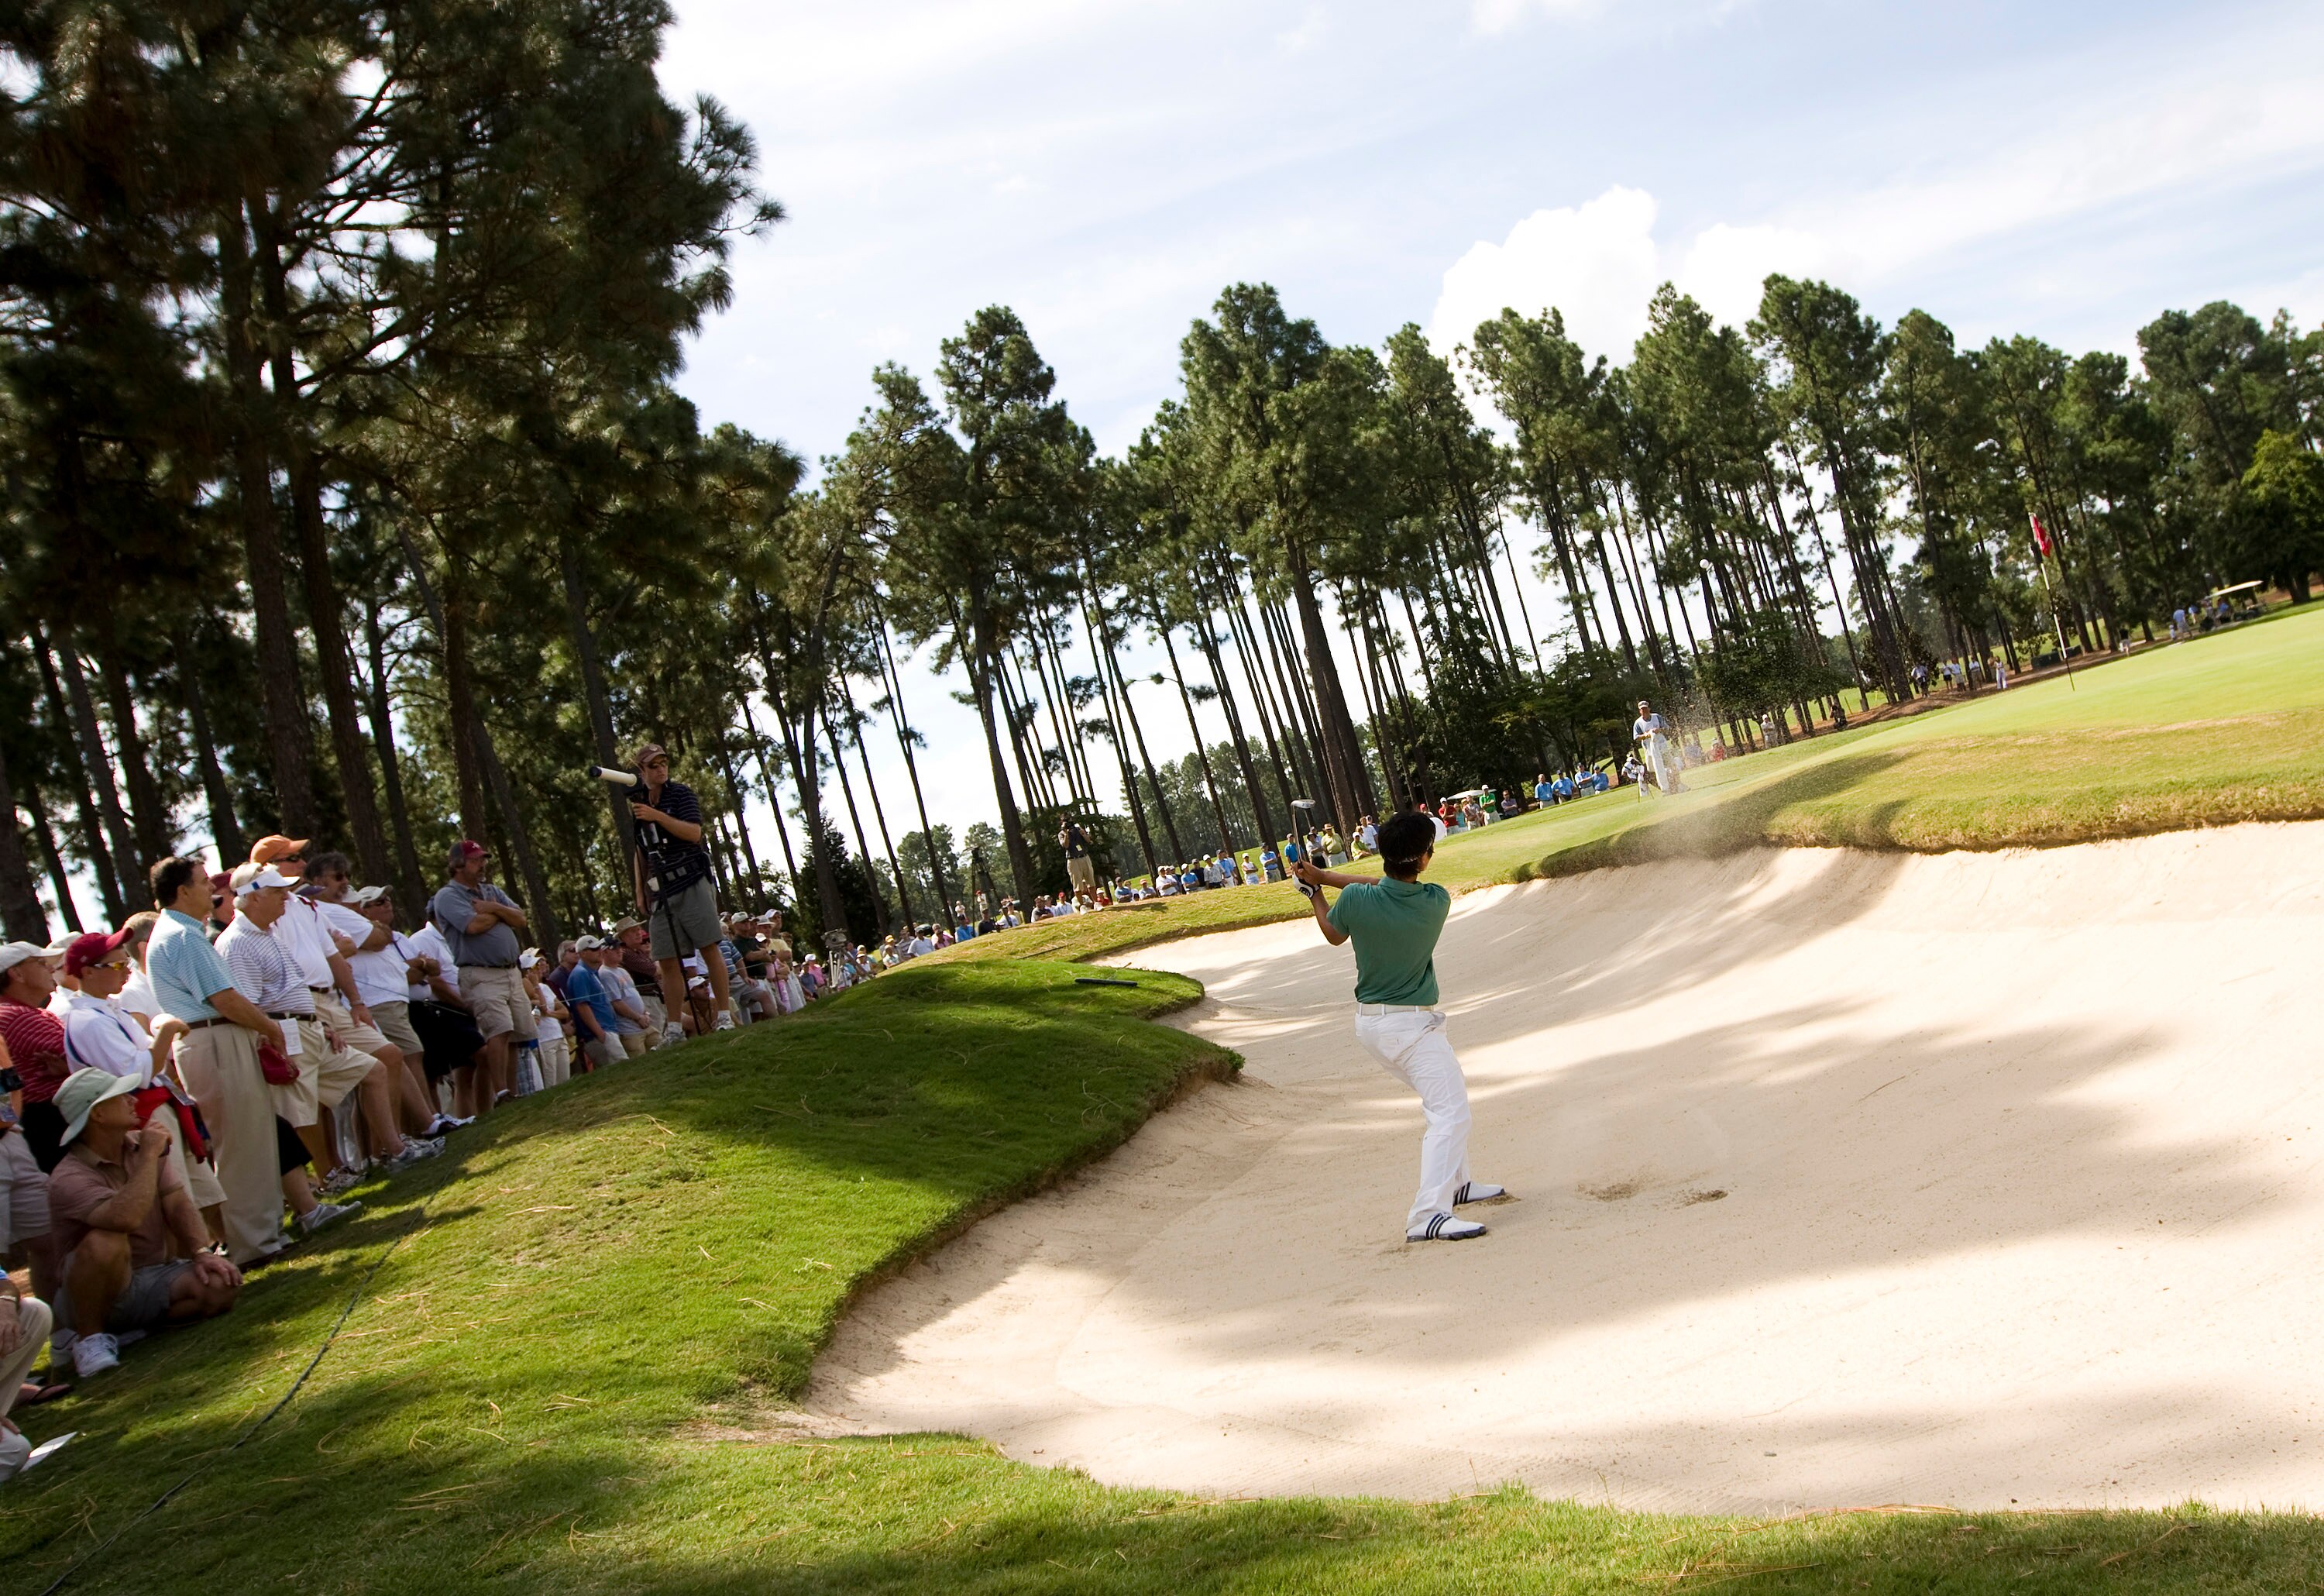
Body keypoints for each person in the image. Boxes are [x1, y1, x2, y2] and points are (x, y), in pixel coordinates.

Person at [1291, 814, 1505, 1243]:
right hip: (1410, 1030)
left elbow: (1334, 932)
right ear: (1424, 861)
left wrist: (1316, 890)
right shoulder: (1436, 900)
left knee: (1444, 1097)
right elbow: (1385, 882)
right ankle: (1427, 1214)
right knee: (1450, 1112)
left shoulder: (1354, 900)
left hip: (1376, 1026)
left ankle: (1457, 1184)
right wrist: (1327, 878)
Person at [145, 858, 297, 1266]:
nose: (213, 892)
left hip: (211, 1039)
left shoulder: (179, 935)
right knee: (242, 1141)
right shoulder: (183, 937)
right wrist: (270, 1027)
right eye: (201, 883)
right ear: (181, 892)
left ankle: (262, 1236)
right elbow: (224, 999)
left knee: (247, 1137)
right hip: (213, 1039)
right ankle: (254, 1243)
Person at [46, 1068, 241, 1378]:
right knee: (105, 1240)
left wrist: (201, 1252)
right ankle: (91, 1337)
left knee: (221, 1288)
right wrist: (149, 1155)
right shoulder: (68, 1177)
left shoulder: (140, 1143)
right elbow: (124, 1219)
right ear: (98, 1114)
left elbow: (177, 1202)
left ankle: (135, 1328)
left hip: (152, 1275)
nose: (131, 1099)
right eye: (120, 1096)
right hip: (91, 1294)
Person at [621, 743, 734, 1037]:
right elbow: (641, 851)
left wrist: (658, 816)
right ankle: (673, 1028)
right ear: (642, 770)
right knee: (667, 959)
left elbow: (694, 833)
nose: (661, 768)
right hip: (661, 889)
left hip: (691, 879)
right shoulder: (640, 805)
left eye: (664, 762)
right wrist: (640, 890)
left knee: (709, 947)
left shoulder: (680, 794)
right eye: (654, 764)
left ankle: (723, 1015)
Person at [430, 840, 532, 1116]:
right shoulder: (448, 896)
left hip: (510, 971)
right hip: (481, 973)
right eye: (475, 860)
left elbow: (521, 918)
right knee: (498, 1029)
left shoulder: (490, 892)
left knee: (513, 1033)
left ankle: (512, 1093)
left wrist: (493, 908)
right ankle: (501, 1092)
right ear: (457, 865)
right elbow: (473, 926)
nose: (482, 864)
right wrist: (501, 913)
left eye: (482, 859)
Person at [562, 939, 621, 1071]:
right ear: (582, 953)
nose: (599, 951)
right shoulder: (580, 974)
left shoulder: (591, 972)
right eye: (594, 949)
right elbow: (582, 1006)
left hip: (607, 1031)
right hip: (598, 1035)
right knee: (619, 1071)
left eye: (599, 948)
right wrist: (600, 1034)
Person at [1633, 700, 1682, 795]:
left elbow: (1666, 728)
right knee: (1653, 769)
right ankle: (1664, 787)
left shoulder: (1657, 717)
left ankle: (1678, 784)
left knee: (1671, 765)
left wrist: (1659, 730)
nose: (1645, 711)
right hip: (1649, 749)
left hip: (1662, 746)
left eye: (1646, 708)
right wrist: (1646, 735)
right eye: (1642, 709)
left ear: (1649, 708)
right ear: (1640, 711)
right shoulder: (1638, 723)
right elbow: (1636, 737)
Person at [1059, 819, 1098, 901]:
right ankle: (1081, 905)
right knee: (1077, 885)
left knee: (1091, 881)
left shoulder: (1079, 830)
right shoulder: (1061, 834)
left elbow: (1088, 840)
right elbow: (1066, 846)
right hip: (1073, 860)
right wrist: (1066, 834)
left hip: (1084, 857)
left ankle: (1096, 902)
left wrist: (1083, 834)